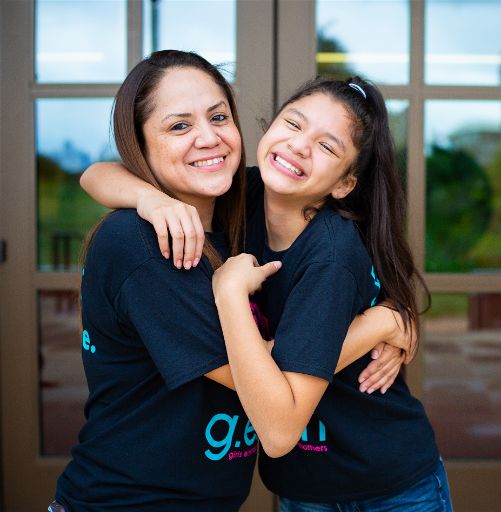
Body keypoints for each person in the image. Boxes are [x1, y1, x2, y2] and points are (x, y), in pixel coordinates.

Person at [53, 50, 412, 512]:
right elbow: (277, 406)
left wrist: (396, 313)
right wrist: (382, 326)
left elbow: (95, 175)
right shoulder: (145, 245)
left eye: (218, 116)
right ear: (139, 144)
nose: (208, 137)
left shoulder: (243, 205)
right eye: (179, 126)